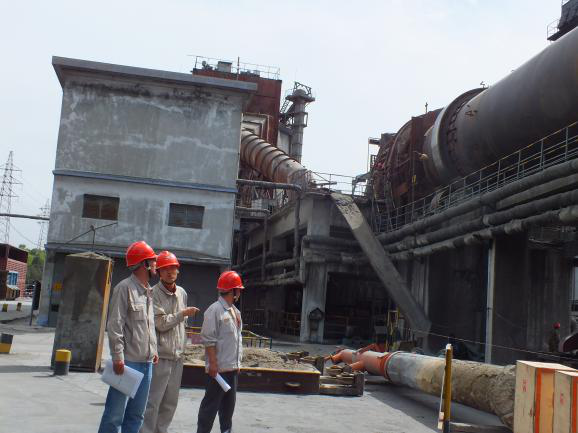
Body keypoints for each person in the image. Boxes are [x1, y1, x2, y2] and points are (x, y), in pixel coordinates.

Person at [98, 241, 159, 433]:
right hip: (128, 363)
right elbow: (115, 325)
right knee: (114, 416)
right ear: (144, 264)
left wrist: (154, 350)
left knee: (136, 415)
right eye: (153, 260)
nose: (156, 264)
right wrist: (118, 357)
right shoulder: (124, 288)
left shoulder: (148, 291)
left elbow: (148, 325)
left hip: (146, 363)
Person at [141, 251, 199, 433]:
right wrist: (183, 314)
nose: (169, 272)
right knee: (153, 400)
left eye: (173, 268)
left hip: (177, 357)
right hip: (160, 356)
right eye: (165, 269)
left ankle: (161, 430)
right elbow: (160, 323)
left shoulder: (182, 293)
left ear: (178, 271)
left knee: (170, 401)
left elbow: (182, 326)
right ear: (158, 272)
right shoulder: (153, 293)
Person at [196, 271, 244, 433]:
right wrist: (213, 364)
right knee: (210, 408)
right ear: (233, 290)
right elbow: (208, 339)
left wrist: (237, 363)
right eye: (238, 289)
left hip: (231, 369)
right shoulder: (214, 310)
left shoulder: (235, 312)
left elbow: (236, 340)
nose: (240, 292)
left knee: (228, 410)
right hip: (218, 371)